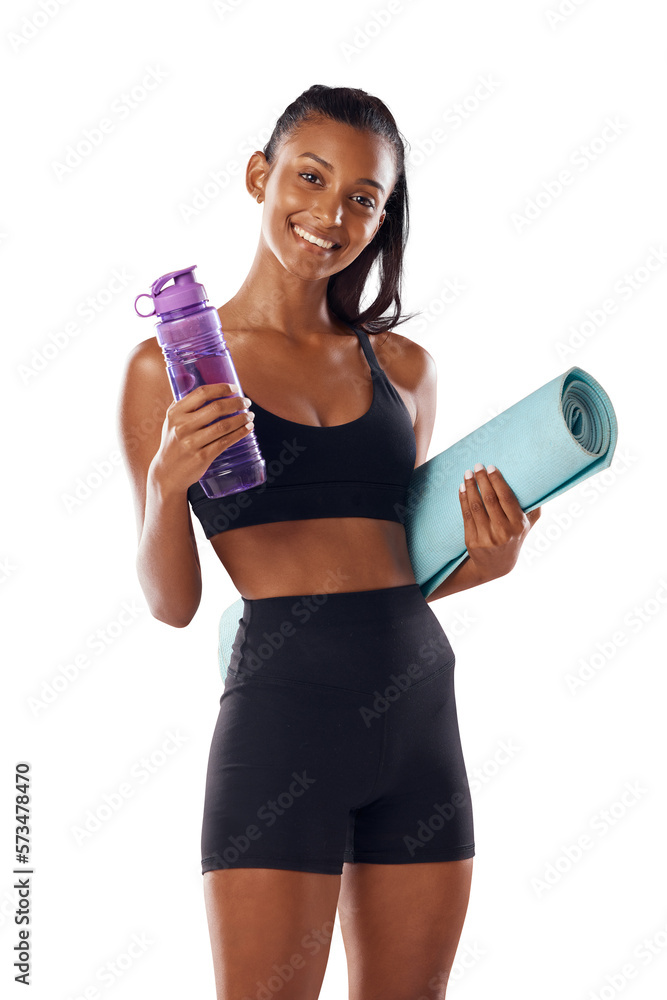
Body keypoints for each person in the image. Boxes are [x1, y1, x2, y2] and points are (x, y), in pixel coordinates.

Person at [118, 84, 540, 1000]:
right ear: (259, 177)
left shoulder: (406, 371)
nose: (331, 213)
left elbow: (394, 570)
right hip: (282, 724)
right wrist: (165, 485)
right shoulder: (171, 364)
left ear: (382, 218)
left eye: (363, 197)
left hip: (421, 714)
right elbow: (172, 603)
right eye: (310, 178)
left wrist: (485, 559)